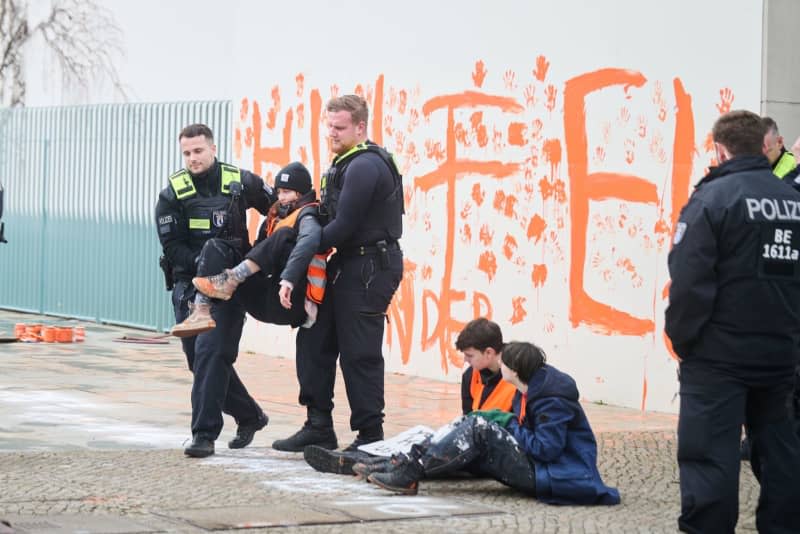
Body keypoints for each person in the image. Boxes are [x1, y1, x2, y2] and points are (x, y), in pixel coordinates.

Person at [665, 110, 800, 533]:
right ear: (765, 145)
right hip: (781, 356)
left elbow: (689, 283)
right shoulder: (794, 201)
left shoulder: (712, 200)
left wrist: (685, 342)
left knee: (709, 460)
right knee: (782, 455)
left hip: (718, 359)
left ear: (719, 150)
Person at [272, 95, 404, 453]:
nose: (332, 132)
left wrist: (300, 249)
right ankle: (318, 425)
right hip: (345, 264)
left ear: (360, 127)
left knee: (359, 352)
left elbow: (343, 226)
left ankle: (370, 436)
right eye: (329, 126)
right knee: (313, 338)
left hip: (369, 267)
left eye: (340, 127)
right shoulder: (343, 162)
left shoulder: (365, 165)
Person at [363, 342, 621, 505]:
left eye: (504, 363)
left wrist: (508, 422)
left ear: (515, 371)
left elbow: (547, 449)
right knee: (472, 421)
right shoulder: (530, 386)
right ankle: (402, 462)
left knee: (480, 430)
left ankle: (410, 473)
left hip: (554, 475)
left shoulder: (551, 399)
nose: (500, 366)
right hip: (543, 467)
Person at [155, 123, 274, 458]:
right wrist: (205, 265)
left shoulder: (240, 182)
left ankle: (204, 435)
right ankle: (250, 416)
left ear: (213, 148)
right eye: (187, 153)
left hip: (230, 287)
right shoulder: (172, 194)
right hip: (188, 287)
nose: (193, 158)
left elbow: (278, 212)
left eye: (198, 151)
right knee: (200, 361)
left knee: (212, 354)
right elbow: (172, 247)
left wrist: (259, 255)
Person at [303, 317, 516, 474]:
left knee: (438, 458)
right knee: (425, 442)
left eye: (470, 356)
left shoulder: (516, 377)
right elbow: (467, 416)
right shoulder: (472, 376)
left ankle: (374, 467)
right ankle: (364, 461)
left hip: (495, 448)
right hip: (474, 438)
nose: (466, 361)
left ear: (489, 353)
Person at [190, 161, 326, 330]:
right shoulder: (275, 216)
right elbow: (258, 253)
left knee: (285, 234)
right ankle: (200, 311)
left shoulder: (309, 216)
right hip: (263, 298)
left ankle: (232, 278)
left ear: (300, 194)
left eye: (287, 192)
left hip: (289, 301)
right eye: (278, 192)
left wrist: (288, 281)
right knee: (220, 246)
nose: (281, 197)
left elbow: (310, 240)